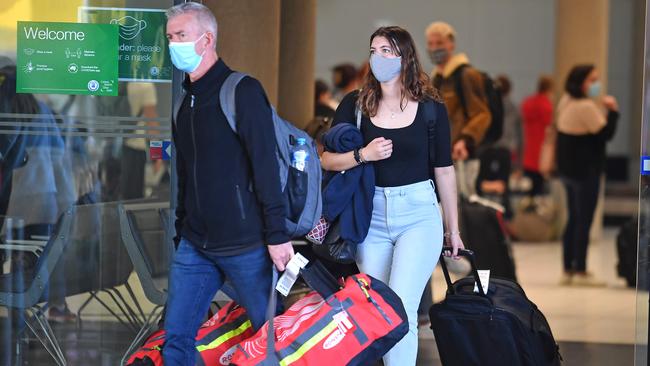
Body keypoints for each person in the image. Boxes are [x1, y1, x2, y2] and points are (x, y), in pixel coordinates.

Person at [321, 26, 464, 366]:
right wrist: (363, 155)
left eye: (387, 50)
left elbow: (444, 170)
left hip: (418, 212)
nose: (378, 57)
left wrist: (453, 229)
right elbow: (326, 159)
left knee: (401, 307)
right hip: (370, 215)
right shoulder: (355, 105)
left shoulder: (430, 108)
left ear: (405, 57)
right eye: (374, 50)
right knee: (378, 311)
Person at [164, 3, 293, 365]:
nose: (174, 44)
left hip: (246, 243)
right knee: (176, 339)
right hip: (195, 244)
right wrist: (181, 231)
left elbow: (265, 166)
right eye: (171, 38)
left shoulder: (242, 90)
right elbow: (186, 175)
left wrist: (277, 234)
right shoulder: (183, 101)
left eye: (181, 36)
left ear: (207, 39)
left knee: (272, 340)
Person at [556, 64, 619, 286]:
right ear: (581, 82)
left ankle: (568, 268)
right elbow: (605, 134)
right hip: (586, 171)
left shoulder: (566, 101)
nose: (596, 84)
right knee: (584, 220)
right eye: (593, 80)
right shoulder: (585, 107)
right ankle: (580, 270)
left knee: (573, 218)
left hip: (568, 171)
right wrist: (613, 111)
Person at [426, 21, 491, 161]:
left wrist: (465, 140)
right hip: (442, 155)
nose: (434, 48)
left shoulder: (466, 75)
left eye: (439, 43)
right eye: (430, 43)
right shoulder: (435, 78)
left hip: (462, 155)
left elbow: (482, 114)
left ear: (451, 44)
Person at [521, 75, 554, 197]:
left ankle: (529, 199)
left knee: (530, 178)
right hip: (542, 145)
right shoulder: (546, 105)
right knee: (540, 178)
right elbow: (549, 125)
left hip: (529, 143)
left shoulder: (528, 103)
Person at [496, 75, 522, 165]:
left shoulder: (489, 108)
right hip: (508, 149)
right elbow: (519, 135)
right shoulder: (515, 109)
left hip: (491, 149)